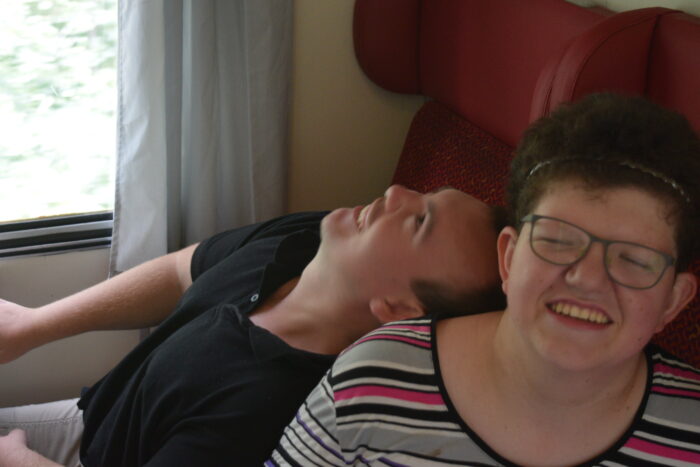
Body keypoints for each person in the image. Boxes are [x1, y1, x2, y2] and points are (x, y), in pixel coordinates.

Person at [269, 93, 700, 466]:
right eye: (556, 240)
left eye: (633, 261)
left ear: (673, 301)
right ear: (508, 258)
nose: (587, 279)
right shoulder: (374, 378)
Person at [0, 184, 506, 467]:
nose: (396, 192)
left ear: (397, 307)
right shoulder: (306, 239)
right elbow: (180, 272)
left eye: (418, 221)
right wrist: (32, 326)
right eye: (424, 194)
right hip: (92, 420)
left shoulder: (268, 407)